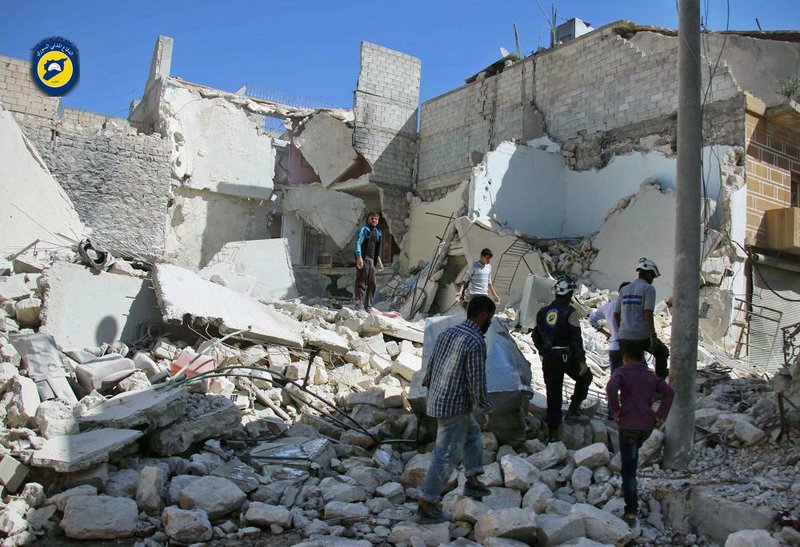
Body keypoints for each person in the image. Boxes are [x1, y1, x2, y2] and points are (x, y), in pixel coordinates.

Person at [417, 295, 496, 524]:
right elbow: (476, 381)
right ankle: (426, 504)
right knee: (446, 455)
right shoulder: (475, 341)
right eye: (490, 317)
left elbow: (431, 367)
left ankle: (472, 481)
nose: (489, 322)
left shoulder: (448, 332)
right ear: (483, 316)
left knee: (472, 436)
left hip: (439, 399)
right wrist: (486, 406)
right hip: (454, 407)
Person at [606, 341, 674, 526]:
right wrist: (661, 416)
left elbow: (611, 387)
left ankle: (630, 511)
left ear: (625, 357)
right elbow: (669, 393)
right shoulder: (650, 375)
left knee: (629, 467)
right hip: (646, 425)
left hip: (628, 424)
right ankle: (626, 489)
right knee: (631, 460)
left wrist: (616, 411)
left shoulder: (622, 371)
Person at [532, 278, 593, 443]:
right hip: (566, 356)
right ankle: (573, 409)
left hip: (550, 357)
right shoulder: (570, 311)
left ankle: (553, 432)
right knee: (586, 377)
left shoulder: (542, 312)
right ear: (570, 294)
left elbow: (535, 335)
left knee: (553, 393)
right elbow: (576, 339)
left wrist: (543, 350)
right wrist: (581, 361)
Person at [614, 258, 669, 379]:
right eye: (653, 276)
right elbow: (648, 313)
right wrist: (652, 336)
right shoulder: (648, 289)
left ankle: (627, 392)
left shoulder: (624, 289)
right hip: (641, 336)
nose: (652, 280)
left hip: (624, 336)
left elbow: (616, 314)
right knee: (663, 352)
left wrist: (621, 331)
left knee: (629, 368)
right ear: (648, 273)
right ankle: (659, 385)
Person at [588, 282, 630, 375]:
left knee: (615, 380)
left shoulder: (608, 306)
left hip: (614, 346)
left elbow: (591, 319)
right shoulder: (633, 307)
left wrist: (604, 332)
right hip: (631, 349)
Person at [354, 212, 383, 311]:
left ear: (378, 221)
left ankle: (368, 306)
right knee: (361, 281)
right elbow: (358, 242)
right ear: (368, 219)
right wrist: (359, 256)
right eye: (372, 218)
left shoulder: (378, 233)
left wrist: (378, 260)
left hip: (372, 260)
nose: (374, 220)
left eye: (376, 219)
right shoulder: (364, 230)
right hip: (364, 258)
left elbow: (376, 248)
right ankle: (358, 303)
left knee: (372, 284)